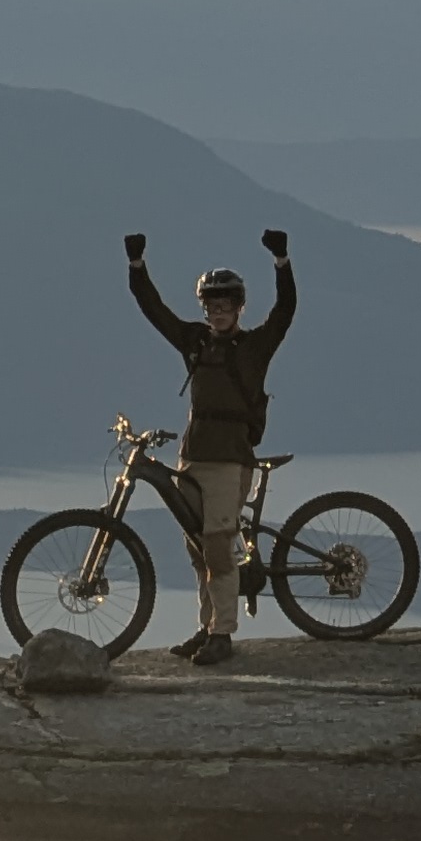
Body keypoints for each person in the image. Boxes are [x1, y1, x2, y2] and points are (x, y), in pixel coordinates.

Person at [122, 227, 294, 665]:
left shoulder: (254, 346)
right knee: (198, 550)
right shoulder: (196, 343)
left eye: (226, 305)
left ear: (239, 308)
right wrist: (136, 266)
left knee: (218, 546)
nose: (218, 312)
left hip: (231, 458)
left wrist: (281, 261)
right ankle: (207, 626)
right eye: (211, 306)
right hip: (193, 456)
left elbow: (286, 310)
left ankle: (224, 635)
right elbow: (154, 310)